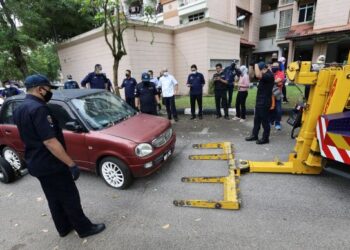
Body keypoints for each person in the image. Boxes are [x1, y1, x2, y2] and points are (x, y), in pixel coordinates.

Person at [13, 74, 105, 238]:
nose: (50, 92)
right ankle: (84, 229)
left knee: (54, 198)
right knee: (70, 197)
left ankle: (63, 228)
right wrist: (71, 164)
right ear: (40, 89)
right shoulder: (39, 108)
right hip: (51, 164)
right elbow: (49, 141)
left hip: (37, 162)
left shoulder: (20, 107)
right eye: (48, 89)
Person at [245, 62, 275, 144]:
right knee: (257, 120)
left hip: (265, 101)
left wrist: (256, 65)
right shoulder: (263, 75)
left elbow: (258, 75)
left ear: (263, 69)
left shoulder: (269, 75)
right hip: (259, 101)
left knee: (264, 121)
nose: (257, 72)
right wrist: (251, 66)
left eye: (258, 69)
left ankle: (265, 138)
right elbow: (251, 76)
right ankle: (254, 135)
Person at [270, 61, 285, 130]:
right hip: (270, 94)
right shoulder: (270, 73)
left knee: (278, 110)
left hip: (277, 94)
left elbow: (276, 81)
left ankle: (277, 122)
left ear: (278, 67)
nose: (274, 67)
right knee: (271, 109)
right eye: (273, 66)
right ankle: (271, 121)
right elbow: (275, 81)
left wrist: (272, 81)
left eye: (276, 66)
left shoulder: (281, 73)